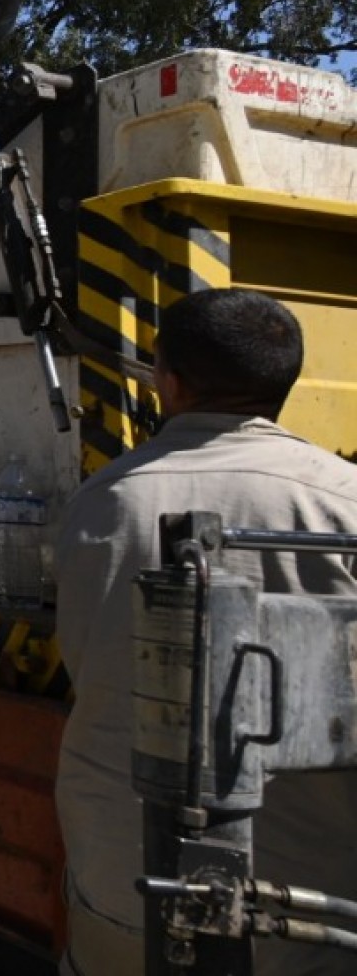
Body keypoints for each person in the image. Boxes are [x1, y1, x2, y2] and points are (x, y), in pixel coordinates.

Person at [54, 288, 357, 976]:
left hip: (126, 877)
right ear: (286, 381)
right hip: (309, 896)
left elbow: (86, 662)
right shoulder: (344, 499)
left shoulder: (104, 501)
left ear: (169, 380)